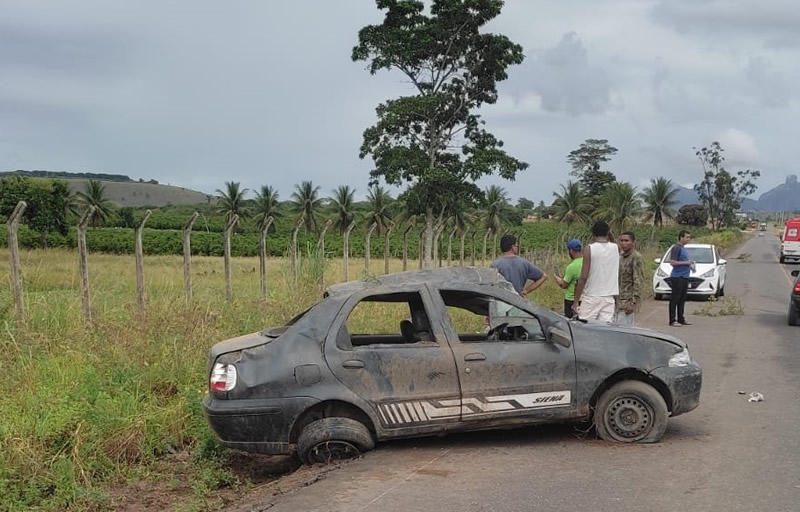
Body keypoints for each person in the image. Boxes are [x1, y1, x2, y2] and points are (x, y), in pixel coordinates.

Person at [573, 221, 619, 322]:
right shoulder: (615, 248)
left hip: (592, 296)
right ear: (608, 233)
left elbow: (583, 277)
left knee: (585, 329)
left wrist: (576, 301)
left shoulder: (589, 249)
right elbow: (613, 240)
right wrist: (609, 233)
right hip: (609, 298)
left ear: (593, 234)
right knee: (605, 331)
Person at [616, 231, 644, 325]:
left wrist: (633, 302)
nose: (624, 243)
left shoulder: (636, 257)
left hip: (627, 302)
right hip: (618, 301)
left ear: (633, 242)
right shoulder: (621, 258)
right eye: (622, 241)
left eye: (626, 240)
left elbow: (638, 280)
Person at [668, 230, 694, 327]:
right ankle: (672, 320)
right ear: (681, 237)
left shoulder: (684, 249)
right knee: (675, 299)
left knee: (682, 299)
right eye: (687, 237)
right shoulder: (676, 248)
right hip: (677, 277)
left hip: (685, 277)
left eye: (689, 237)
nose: (688, 239)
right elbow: (672, 262)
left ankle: (681, 318)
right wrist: (686, 263)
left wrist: (690, 265)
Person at [553, 239, 583, 317]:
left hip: (571, 299)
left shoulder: (571, 266)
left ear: (571, 250)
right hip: (584, 299)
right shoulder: (586, 262)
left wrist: (557, 278)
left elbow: (564, 285)